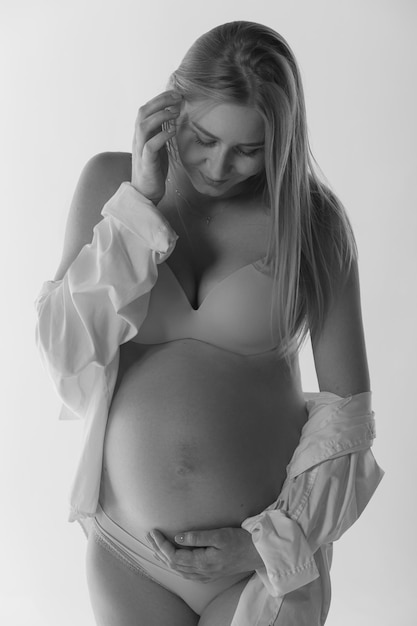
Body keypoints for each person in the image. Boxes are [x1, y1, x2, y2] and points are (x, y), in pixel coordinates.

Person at [34, 20, 383, 626]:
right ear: (172, 105)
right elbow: (65, 354)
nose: (220, 166)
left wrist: (269, 544)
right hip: (129, 555)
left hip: (257, 567)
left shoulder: (312, 224)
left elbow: (346, 414)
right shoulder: (108, 185)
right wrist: (138, 204)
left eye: (250, 150)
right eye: (202, 137)